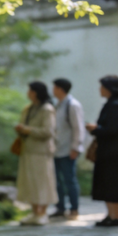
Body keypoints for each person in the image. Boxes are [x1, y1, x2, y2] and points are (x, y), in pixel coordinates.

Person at [85, 76, 118, 227]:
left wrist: (96, 129)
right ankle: (111, 215)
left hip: (114, 152)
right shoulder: (114, 104)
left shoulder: (116, 106)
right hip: (110, 151)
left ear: (109, 88)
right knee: (108, 183)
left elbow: (114, 130)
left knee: (114, 184)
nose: (100, 90)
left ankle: (116, 217)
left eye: (102, 87)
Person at [15, 81, 58, 226]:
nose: (28, 93)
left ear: (36, 92)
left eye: (30, 91)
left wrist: (27, 130)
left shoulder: (47, 109)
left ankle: (42, 213)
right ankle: (34, 212)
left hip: (41, 152)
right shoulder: (28, 108)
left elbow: (48, 131)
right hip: (28, 150)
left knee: (43, 182)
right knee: (30, 183)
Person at [49, 78, 84, 220]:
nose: (53, 90)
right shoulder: (58, 105)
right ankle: (60, 208)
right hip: (56, 149)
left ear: (60, 89)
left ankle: (74, 209)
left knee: (69, 180)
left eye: (54, 87)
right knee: (56, 181)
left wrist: (76, 147)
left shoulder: (72, 105)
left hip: (68, 149)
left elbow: (78, 128)